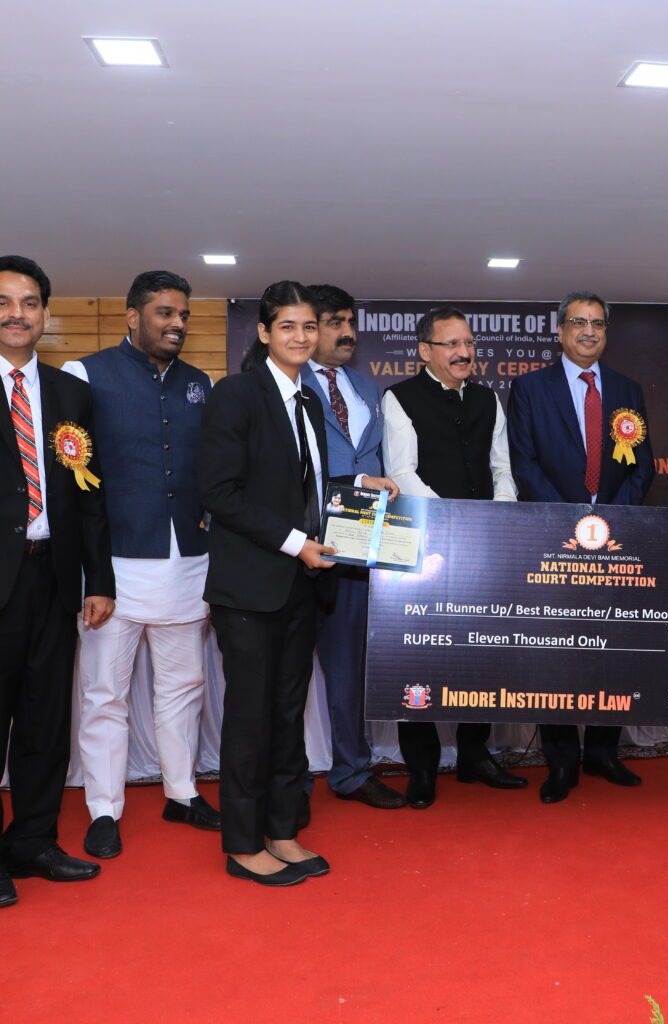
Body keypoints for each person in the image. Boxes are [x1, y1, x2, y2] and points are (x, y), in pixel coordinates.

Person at [200, 281, 397, 886]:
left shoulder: (309, 401)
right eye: (287, 326)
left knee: (288, 715)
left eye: (309, 327)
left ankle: (282, 831)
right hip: (249, 588)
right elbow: (220, 493)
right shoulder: (236, 395)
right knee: (250, 718)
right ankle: (242, 845)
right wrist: (295, 543)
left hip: (302, 586)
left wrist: (358, 488)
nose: (301, 337)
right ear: (264, 333)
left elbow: (307, 487)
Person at [63, 271, 219, 860]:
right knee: (106, 693)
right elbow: (75, 484)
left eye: (184, 315)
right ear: (132, 317)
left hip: (187, 563)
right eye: (164, 313)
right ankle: (104, 808)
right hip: (113, 566)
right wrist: (91, 570)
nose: (177, 323)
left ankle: (181, 792)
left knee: (183, 686)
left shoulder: (200, 382)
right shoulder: (84, 374)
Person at [507, 290, 654, 804]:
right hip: (554, 539)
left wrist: (612, 519)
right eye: (578, 322)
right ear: (560, 331)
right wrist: (570, 519)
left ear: (606, 332)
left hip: (616, 543)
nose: (588, 331)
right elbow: (524, 462)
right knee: (558, 652)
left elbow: (642, 466)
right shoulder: (529, 388)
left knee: (614, 648)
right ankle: (562, 761)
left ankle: (604, 753)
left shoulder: (628, 389)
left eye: (597, 323)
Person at [0, 255, 115, 906]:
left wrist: (99, 580)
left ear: (45, 312)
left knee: (46, 722)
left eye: (29, 302)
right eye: (3, 302)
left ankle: (33, 842)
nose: (17, 314)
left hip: (55, 578)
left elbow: (89, 494)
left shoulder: (70, 393)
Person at [381, 305, 527, 808]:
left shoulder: (488, 399)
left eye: (468, 343)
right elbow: (401, 472)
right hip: (424, 547)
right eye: (452, 344)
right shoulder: (399, 398)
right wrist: (454, 519)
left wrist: (498, 515)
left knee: (481, 653)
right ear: (425, 351)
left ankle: (474, 754)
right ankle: (421, 767)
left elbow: (502, 468)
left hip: (484, 547)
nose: (464, 352)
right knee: (418, 656)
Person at [301, 284, 405, 810]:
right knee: (288, 677)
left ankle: (352, 771)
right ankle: (289, 782)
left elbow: (376, 461)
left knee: (348, 671)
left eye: (350, 322)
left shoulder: (364, 385)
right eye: (335, 323)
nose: (348, 333)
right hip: (298, 546)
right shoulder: (285, 382)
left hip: (357, 551)